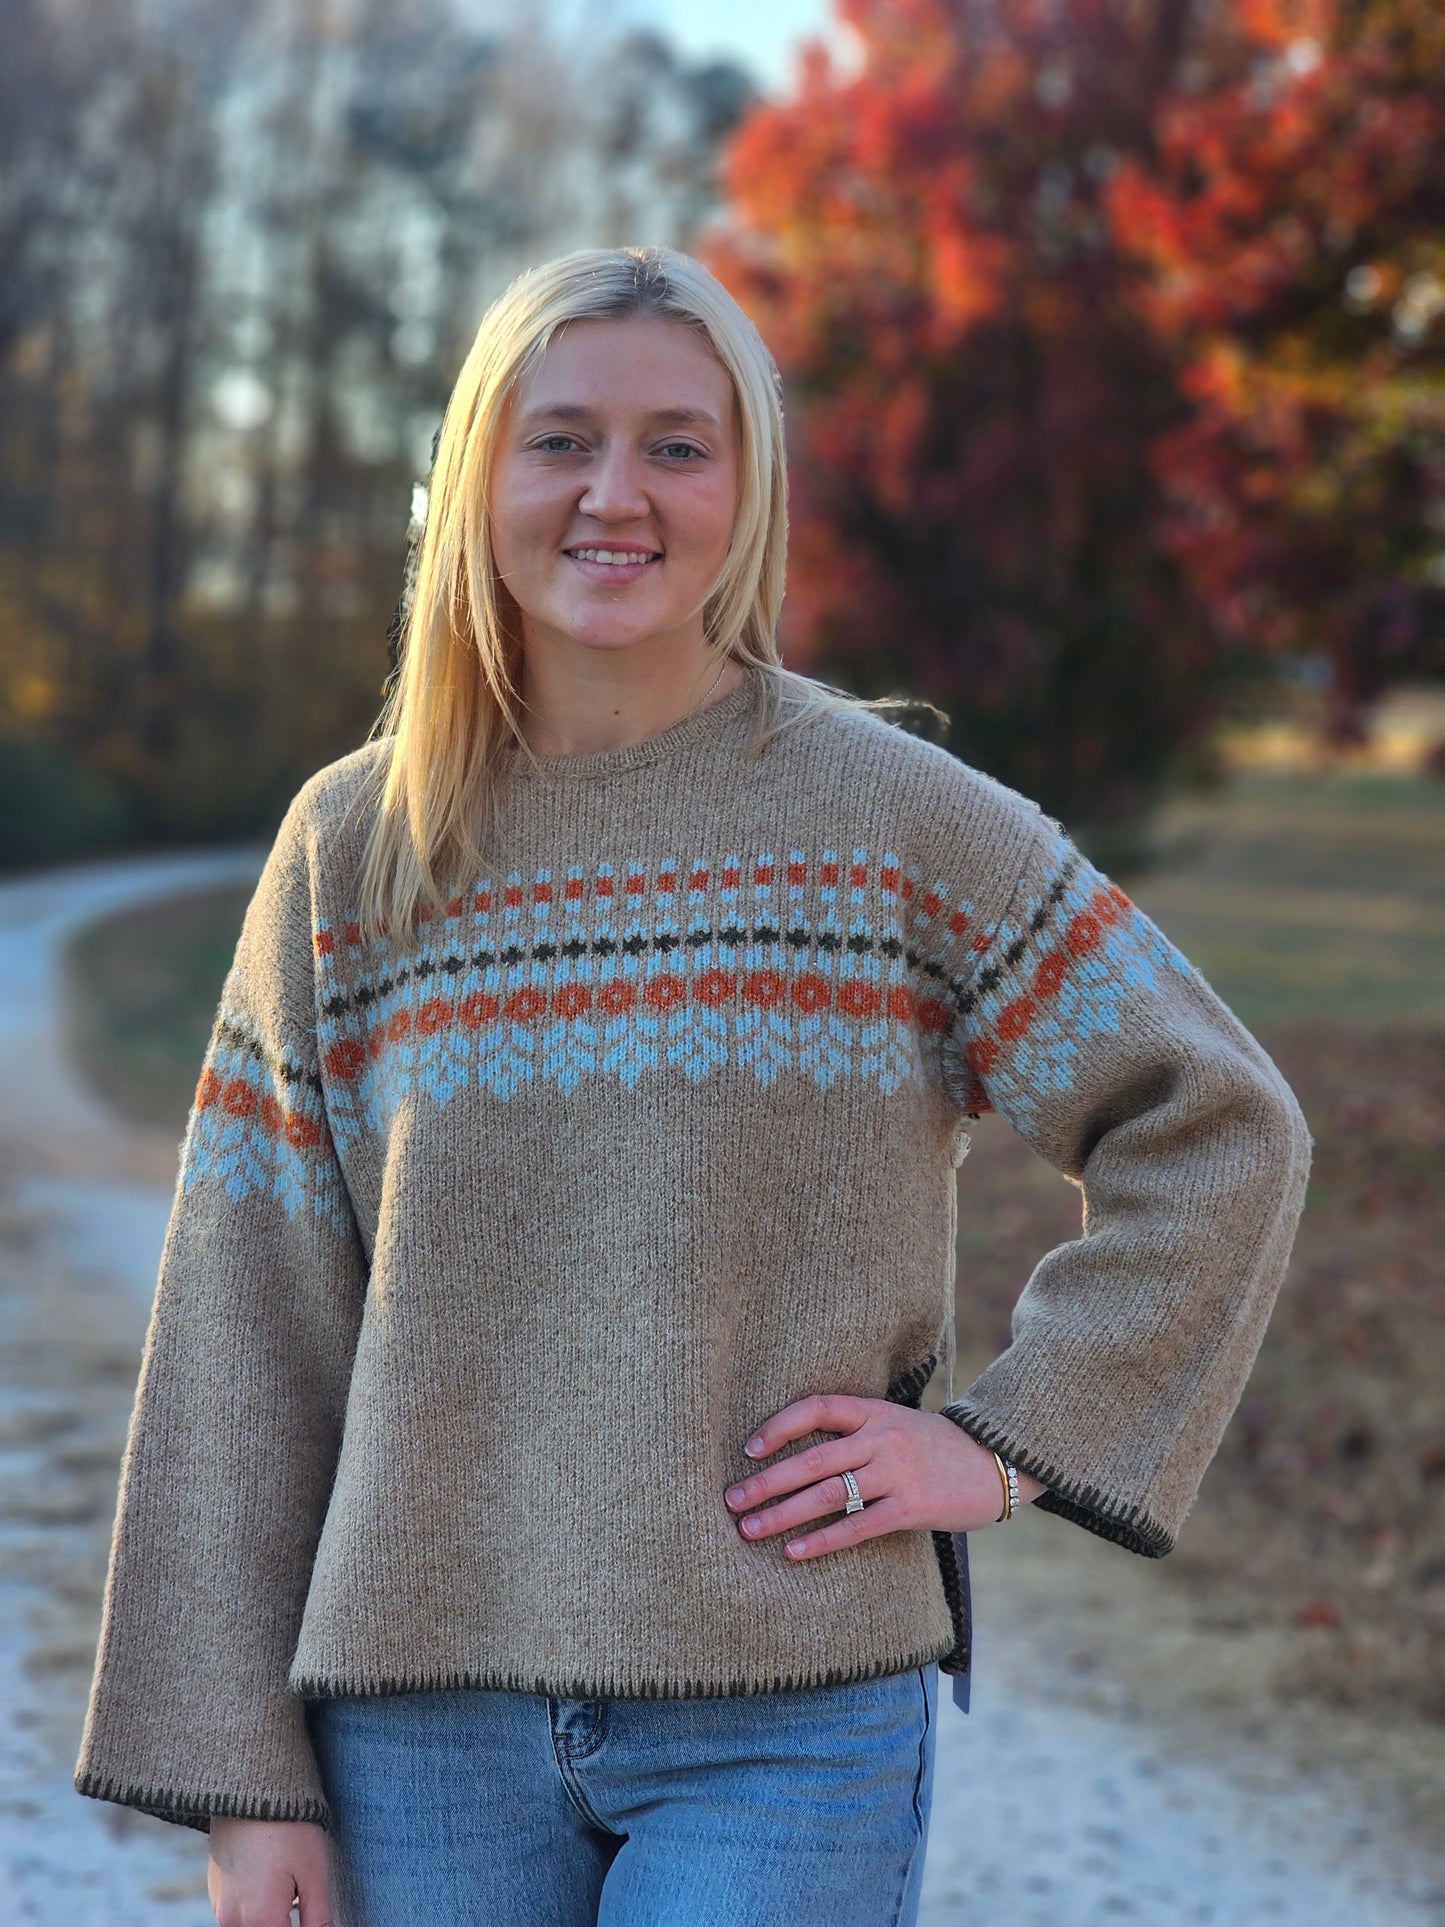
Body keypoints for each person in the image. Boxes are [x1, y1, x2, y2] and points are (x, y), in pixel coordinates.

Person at [75, 245, 1312, 1927]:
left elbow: (1217, 1124)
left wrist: (1006, 1448)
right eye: (559, 438)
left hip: (788, 1721)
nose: (616, 495)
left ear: (749, 489)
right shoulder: (352, 851)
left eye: (677, 443)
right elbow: (246, 1327)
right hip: (415, 1729)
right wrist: (242, 1782)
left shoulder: (894, 820)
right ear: (475, 480)